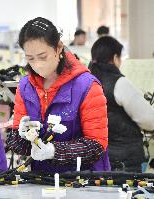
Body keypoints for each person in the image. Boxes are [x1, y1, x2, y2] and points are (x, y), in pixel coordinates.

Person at [6, 17, 110, 173]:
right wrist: (21, 137)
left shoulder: (87, 86)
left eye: (42, 56)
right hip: (43, 181)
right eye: (30, 58)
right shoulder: (25, 87)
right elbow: (20, 146)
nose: (37, 64)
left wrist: (54, 151)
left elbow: (97, 145)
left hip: (85, 181)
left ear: (58, 48)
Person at [89, 36, 154, 172]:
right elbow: (149, 120)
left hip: (97, 159)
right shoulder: (118, 83)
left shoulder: (87, 82)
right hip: (125, 161)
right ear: (114, 58)